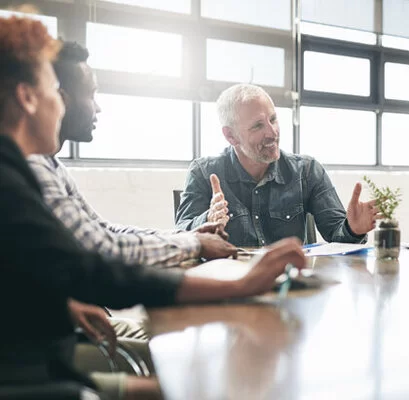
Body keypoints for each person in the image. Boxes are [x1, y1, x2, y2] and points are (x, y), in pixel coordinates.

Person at [0, 15, 306, 400]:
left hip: (41, 358)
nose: (60, 105)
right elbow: (96, 263)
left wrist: (63, 302)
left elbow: (71, 253)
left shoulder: (19, 169)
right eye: (52, 92)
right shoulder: (14, 177)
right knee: (202, 378)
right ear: (28, 97)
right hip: (34, 378)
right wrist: (236, 279)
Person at [28, 41, 236, 269]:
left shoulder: (52, 165)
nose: (98, 108)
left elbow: (102, 229)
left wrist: (186, 237)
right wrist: (194, 243)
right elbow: (100, 248)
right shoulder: (33, 165)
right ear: (60, 98)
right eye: (91, 95)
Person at [175, 83, 381, 247]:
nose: (272, 133)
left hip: (295, 287)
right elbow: (180, 237)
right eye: (257, 126)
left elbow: (337, 235)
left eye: (273, 119)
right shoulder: (203, 172)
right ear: (231, 136)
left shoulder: (307, 171)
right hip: (234, 288)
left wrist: (354, 229)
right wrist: (207, 220)